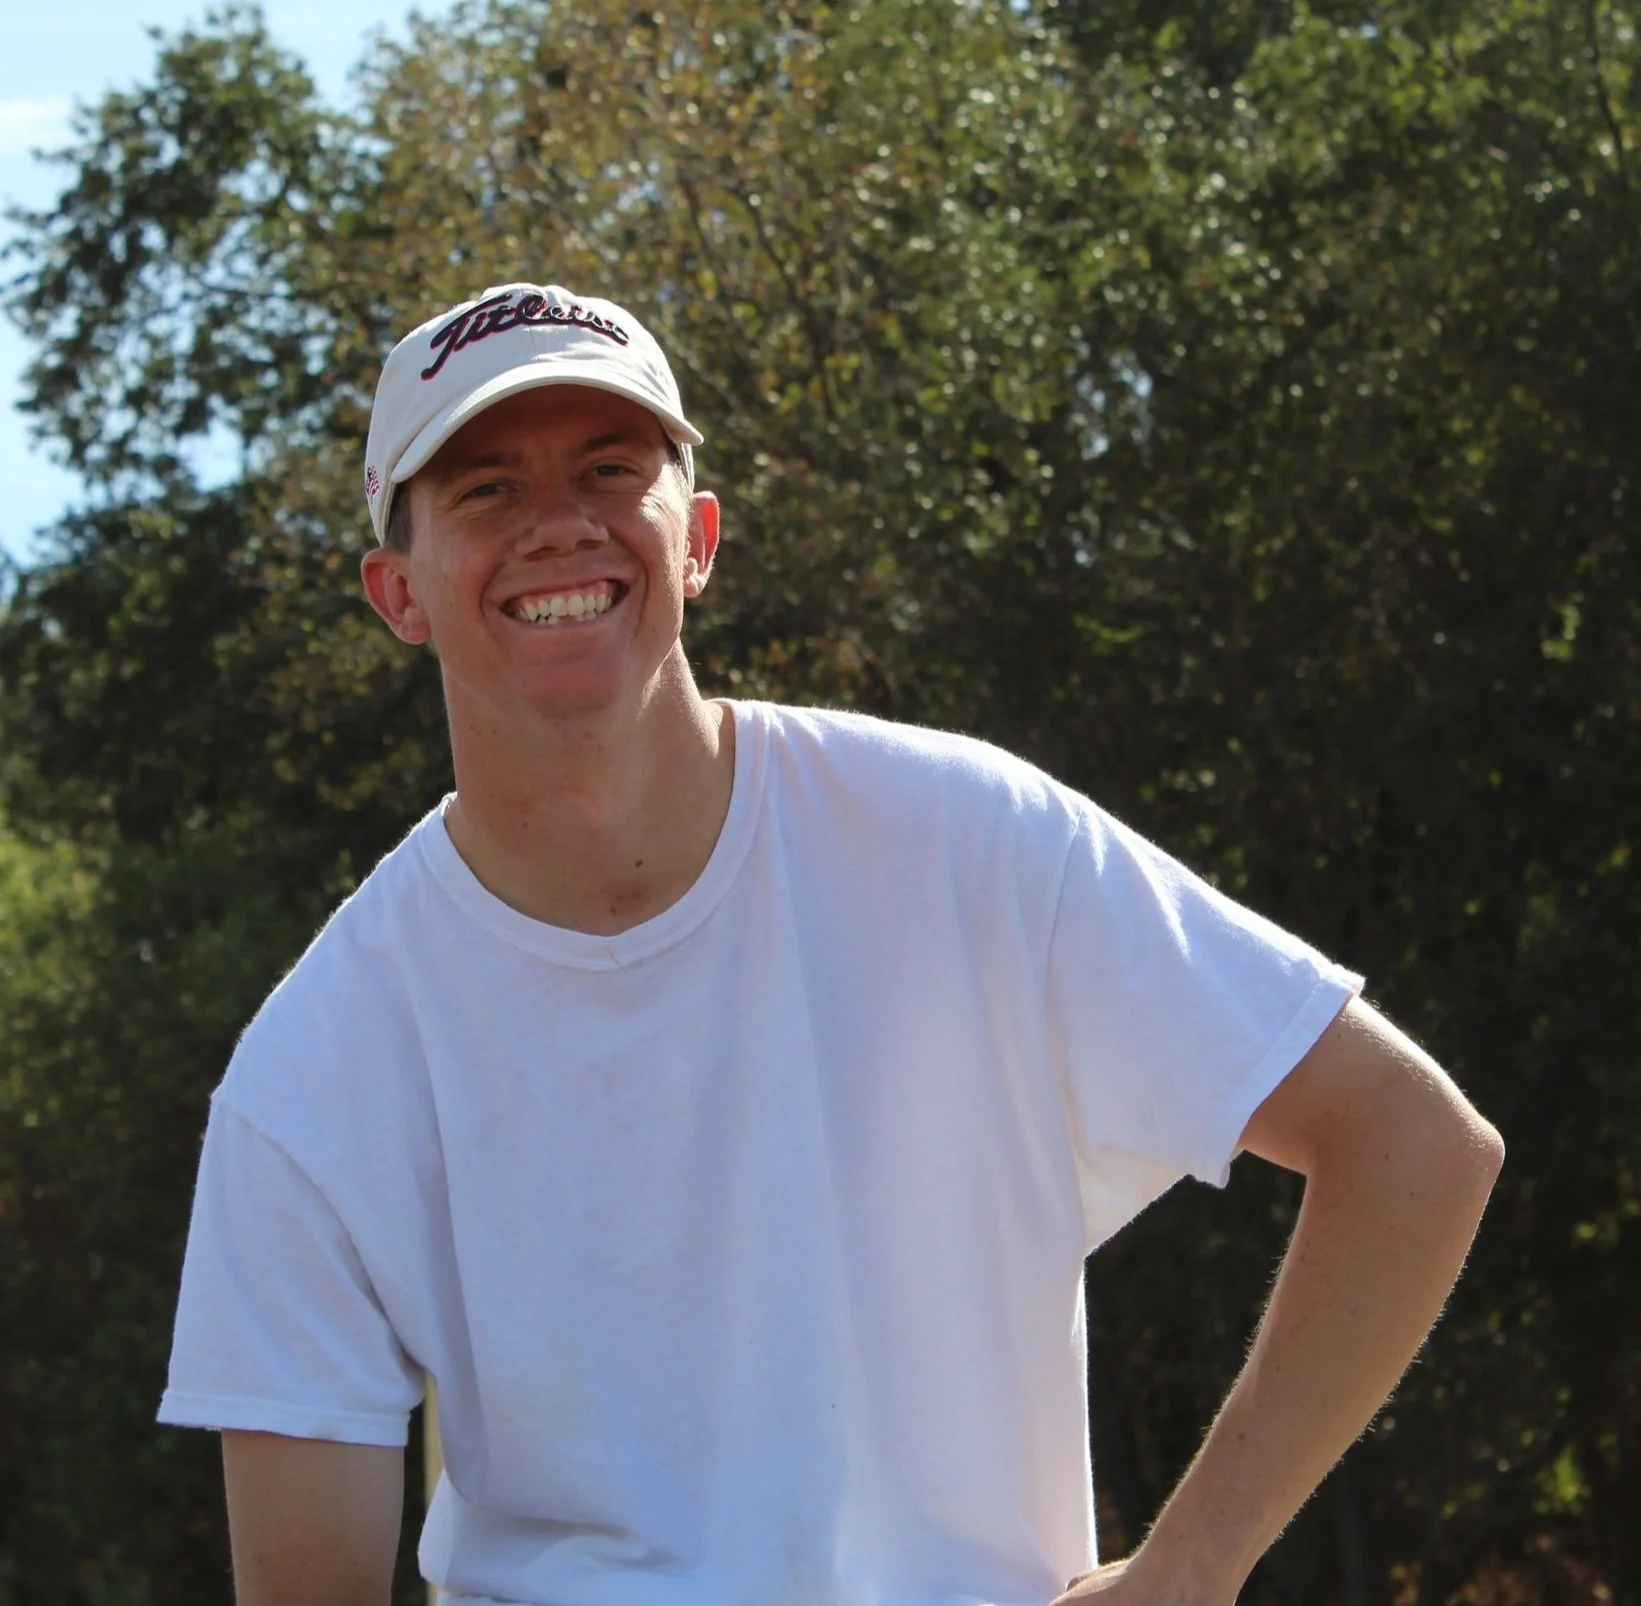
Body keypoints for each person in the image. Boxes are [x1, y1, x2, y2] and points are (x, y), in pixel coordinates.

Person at [159, 283, 1504, 1606]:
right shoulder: (315, 1066)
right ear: (397, 590)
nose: (559, 526)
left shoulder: (966, 840)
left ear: (697, 538)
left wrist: (1194, 1564)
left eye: (612, 466)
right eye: (486, 490)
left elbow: (1412, 1143)